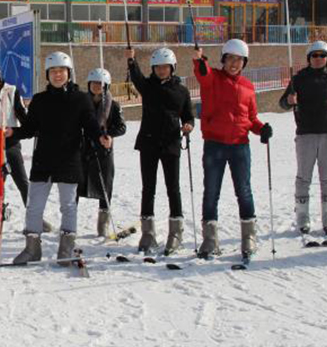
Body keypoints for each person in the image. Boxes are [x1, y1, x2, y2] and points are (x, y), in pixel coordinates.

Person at [11, 52, 111, 266]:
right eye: (53, 71)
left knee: (68, 205)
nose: (57, 75)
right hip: (43, 160)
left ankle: (66, 248)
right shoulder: (40, 100)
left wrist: (101, 136)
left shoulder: (81, 99)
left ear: (69, 73)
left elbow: (90, 125)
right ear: (47, 74)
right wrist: (13, 132)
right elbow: (29, 128)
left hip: (69, 159)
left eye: (61, 71)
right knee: (34, 206)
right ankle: (32, 248)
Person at [193, 39, 272, 260]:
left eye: (239, 60)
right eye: (230, 58)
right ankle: (210, 240)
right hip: (215, 145)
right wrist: (199, 59)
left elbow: (252, 118)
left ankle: (249, 237)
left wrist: (262, 129)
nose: (234, 63)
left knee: (244, 192)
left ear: (244, 62)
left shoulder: (247, 86)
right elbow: (203, 73)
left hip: (240, 146)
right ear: (224, 59)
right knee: (211, 193)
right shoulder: (213, 79)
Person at [127, 47, 195, 254]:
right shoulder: (147, 86)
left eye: (165, 67)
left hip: (171, 144)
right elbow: (137, 77)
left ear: (172, 68)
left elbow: (188, 116)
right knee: (148, 188)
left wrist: (188, 125)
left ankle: (176, 232)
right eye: (158, 67)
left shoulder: (181, 91)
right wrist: (131, 60)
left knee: (173, 187)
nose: (162, 70)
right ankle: (148, 233)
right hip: (148, 143)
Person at [0, 60, 43, 235]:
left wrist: (30, 127)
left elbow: (21, 114)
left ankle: (36, 217)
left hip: (10, 142)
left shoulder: (12, 91)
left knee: (21, 180)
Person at [279, 40, 327, 235]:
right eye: (314, 55)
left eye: (322, 55)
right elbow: (283, 103)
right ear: (309, 58)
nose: (319, 59)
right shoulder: (299, 79)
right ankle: (302, 216)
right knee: (303, 177)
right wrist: (289, 101)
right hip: (306, 133)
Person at [77, 68, 126, 237]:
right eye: (94, 83)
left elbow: (121, 127)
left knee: (105, 185)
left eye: (101, 84)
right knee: (76, 185)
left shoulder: (113, 105)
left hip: (103, 150)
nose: (97, 86)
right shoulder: (81, 102)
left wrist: (109, 134)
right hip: (83, 149)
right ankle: (70, 223)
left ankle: (102, 224)